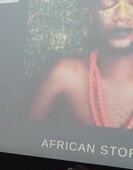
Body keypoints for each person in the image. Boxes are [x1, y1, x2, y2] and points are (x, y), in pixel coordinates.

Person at [29, 0, 133, 128]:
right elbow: (21, 138)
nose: (122, 15)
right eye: (109, 4)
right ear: (91, 13)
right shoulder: (64, 75)